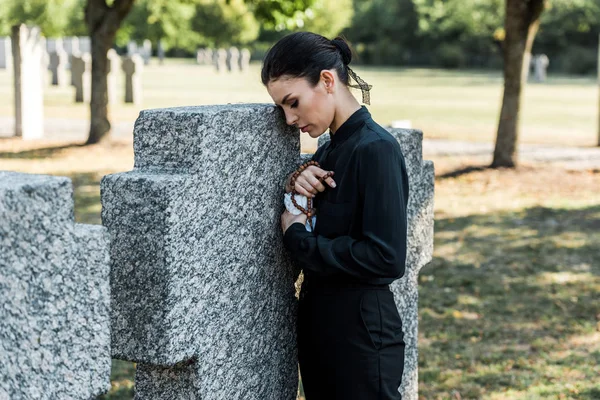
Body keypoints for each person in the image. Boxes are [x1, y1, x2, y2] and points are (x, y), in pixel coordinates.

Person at [261, 32, 409, 400]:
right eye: (281, 108)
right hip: (323, 333)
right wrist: (296, 181)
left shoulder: (376, 149)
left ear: (327, 80)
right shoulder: (328, 153)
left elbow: (386, 257)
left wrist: (299, 240)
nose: (289, 118)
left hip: (361, 340)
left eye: (292, 103)